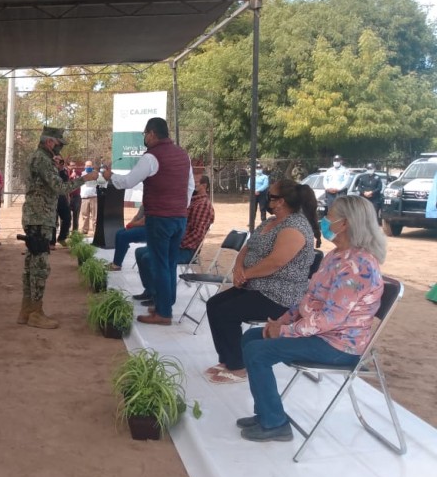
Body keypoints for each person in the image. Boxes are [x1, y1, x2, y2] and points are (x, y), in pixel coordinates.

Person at [237, 195, 386, 442]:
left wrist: (284, 332)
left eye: (330, 216)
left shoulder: (358, 266)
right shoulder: (336, 256)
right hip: (321, 335)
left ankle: (275, 424)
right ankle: (266, 413)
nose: (325, 220)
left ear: (345, 223)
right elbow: (309, 297)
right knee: (252, 337)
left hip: (339, 345)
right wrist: (283, 322)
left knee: (257, 352)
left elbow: (331, 319)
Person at [204, 179, 319, 384]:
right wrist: (239, 268)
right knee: (214, 304)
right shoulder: (269, 222)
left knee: (226, 313)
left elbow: (276, 262)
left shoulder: (295, 227)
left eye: (270, 195)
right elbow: (248, 248)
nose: (266, 198)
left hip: (279, 294)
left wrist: (246, 274)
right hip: (255, 285)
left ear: (280, 202)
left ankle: (238, 366)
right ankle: (228, 359)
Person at [102, 117, 194, 326]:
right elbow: (189, 186)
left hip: (160, 218)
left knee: (160, 263)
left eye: (145, 134)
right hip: (179, 217)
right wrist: (180, 207)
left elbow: (128, 181)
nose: (144, 137)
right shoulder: (183, 154)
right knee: (169, 263)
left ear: (152, 133)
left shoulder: (151, 157)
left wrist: (110, 177)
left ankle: (163, 313)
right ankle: (166, 304)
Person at [20, 127, 98, 329]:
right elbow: (60, 188)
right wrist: (84, 179)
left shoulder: (40, 158)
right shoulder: (42, 159)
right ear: (49, 142)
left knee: (32, 263)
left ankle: (27, 310)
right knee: (39, 266)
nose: (60, 149)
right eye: (59, 144)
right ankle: (35, 312)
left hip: (37, 216)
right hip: (40, 217)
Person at [135, 175, 216, 305]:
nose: (190, 185)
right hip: (175, 244)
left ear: (204, 186)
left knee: (149, 258)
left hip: (186, 249)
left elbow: (198, 234)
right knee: (140, 253)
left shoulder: (203, 205)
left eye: (194, 183)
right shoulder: (190, 201)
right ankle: (151, 291)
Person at [109, 205, 147, 271]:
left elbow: (144, 222)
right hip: (142, 226)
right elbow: (137, 216)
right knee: (119, 233)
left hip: (151, 229)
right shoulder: (146, 200)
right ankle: (116, 262)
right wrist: (130, 224)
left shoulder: (156, 201)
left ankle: (117, 265)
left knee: (123, 236)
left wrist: (131, 225)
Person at [79, 160, 98, 234]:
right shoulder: (82, 174)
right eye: (87, 166)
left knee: (95, 216)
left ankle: (95, 230)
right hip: (84, 198)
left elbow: (102, 183)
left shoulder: (96, 174)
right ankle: (85, 230)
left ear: (92, 166)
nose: (88, 167)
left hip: (93, 198)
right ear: (84, 166)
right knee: (85, 215)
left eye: (90, 166)